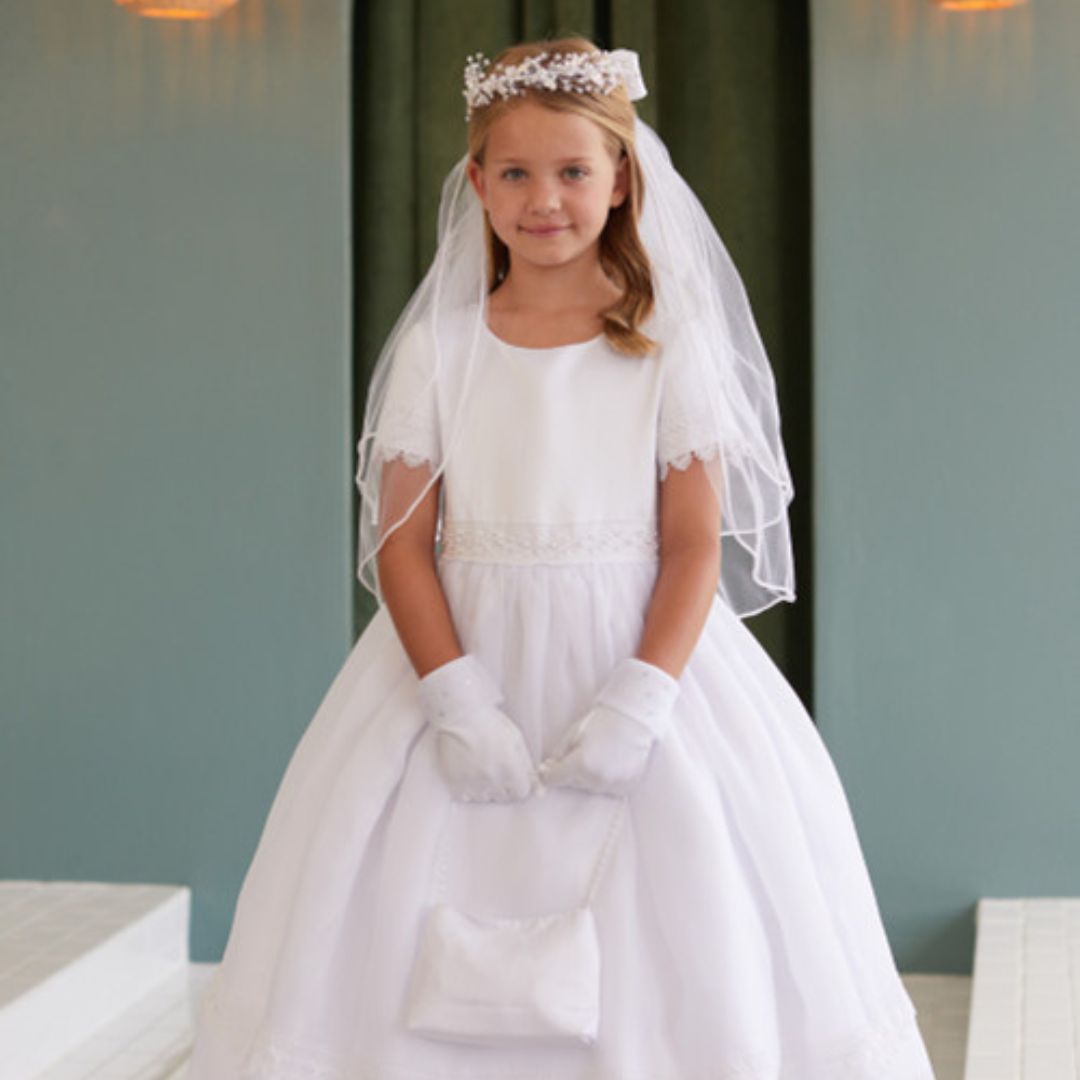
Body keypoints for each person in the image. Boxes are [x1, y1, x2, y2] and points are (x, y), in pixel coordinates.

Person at [184, 36, 937, 1079]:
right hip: (462, 663)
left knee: (685, 910)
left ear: (622, 180)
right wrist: (455, 697)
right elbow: (404, 551)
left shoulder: (667, 340)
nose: (546, 198)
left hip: (642, 660)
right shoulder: (440, 349)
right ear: (477, 185)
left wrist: (639, 700)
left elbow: (690, 545)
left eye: (574, 171)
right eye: (516, 173)